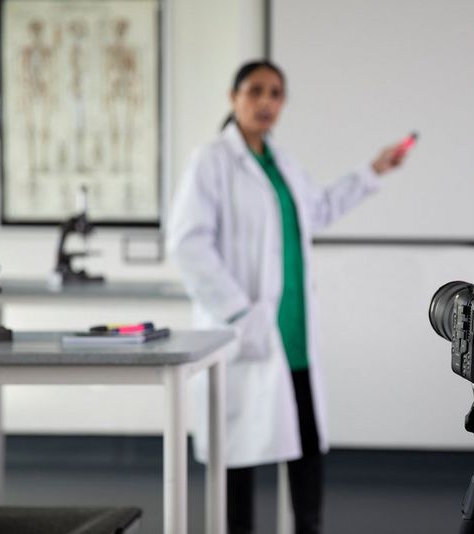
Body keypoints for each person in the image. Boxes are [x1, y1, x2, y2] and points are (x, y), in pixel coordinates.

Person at [167, 60, 409, 534]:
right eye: (255, 91)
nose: (265, 102)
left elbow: (318, 209)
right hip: (247, 327)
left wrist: (373, 170)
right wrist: (239, 311)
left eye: (275, 93)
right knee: (236, 454)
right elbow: (188, 243)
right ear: (233, 96)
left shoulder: (282, 163)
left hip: (293, 332)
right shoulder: (212, 160)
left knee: (306, 448)